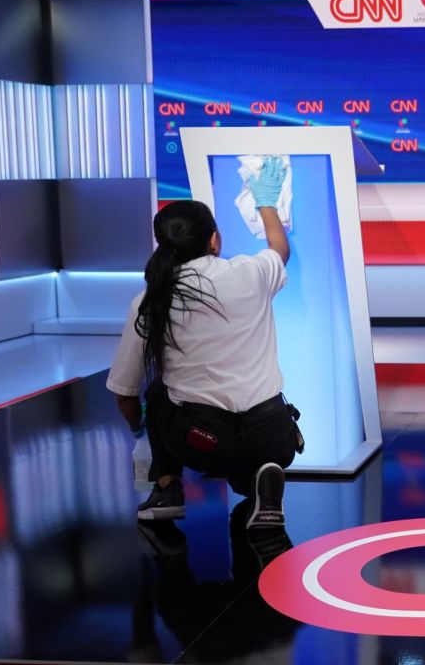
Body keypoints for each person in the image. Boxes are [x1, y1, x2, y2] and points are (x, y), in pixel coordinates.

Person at [107, 157, 301, 525]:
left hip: (204, 442)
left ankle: (167, 490)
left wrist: (142, 434)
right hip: (275, 435)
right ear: (214, 239)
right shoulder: (249, 273)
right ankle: (261, 478)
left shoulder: (149, 302)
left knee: (157, 395)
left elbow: (124, 395)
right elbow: (281, 250)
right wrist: (266, 202)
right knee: (250, 446)